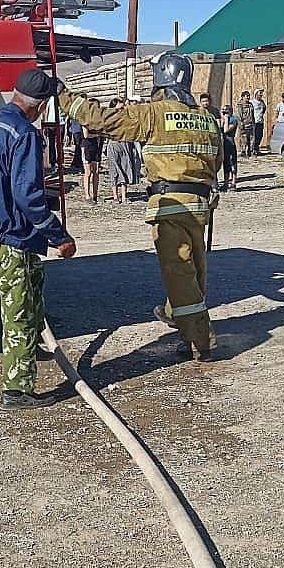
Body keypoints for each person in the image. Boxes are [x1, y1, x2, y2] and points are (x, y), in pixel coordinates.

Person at [60, 52, 222, 361]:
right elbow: (217, 162)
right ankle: (178, 316)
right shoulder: (207, 118)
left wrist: (64, 95)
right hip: (201, 204)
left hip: (170, 203)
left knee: (179, 272)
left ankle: (202, 340)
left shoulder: (153, 114)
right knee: (196, 268)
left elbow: (102, 121)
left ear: (161, 79)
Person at [0, 68, 76, 409]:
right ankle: (16, 390)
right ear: (40, 107)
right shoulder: (24, 134)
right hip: (5, 233)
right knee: (20, 309)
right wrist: (59, 236)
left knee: (33, 277)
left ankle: (31, 347)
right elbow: (28, 196)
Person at [105, 98, 141, 204]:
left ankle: (124, 197)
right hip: (114, 145)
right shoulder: (109, 118)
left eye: (122, 107)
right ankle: (115, 196)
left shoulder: (126, 117)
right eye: (119, 108)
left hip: (125, 144)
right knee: (114, 170)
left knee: (125, 167)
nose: (121, 110)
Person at [81, 124, 102, 204]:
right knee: (88, 172)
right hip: (86, 146)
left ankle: (95, 195)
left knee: (96, 171)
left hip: (95, 145)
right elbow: (86, 135)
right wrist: (97, 134)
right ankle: (87, 195)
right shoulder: (84, 122)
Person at [220, 102, 239, 191]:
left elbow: (226, 130)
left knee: (233, 163)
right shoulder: (223, 119)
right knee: (226, 164)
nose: (225, 114)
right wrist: (223, 120)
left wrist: (226, 119)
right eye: (223, 112)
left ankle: (233, 183)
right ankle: (226, 183)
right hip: (224, 144)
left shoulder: (233, 120)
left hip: (231, 144)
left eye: (226, 112)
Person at [238, 90, 255, 157]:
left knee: (251, 139)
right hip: (244, 125)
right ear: (242, 97)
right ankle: (243, 152)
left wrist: (254, 123)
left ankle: (250, 151)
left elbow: (252, 114)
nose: (248, 97)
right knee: (244, 139)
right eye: (246, 96)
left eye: (248, 96)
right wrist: (241, 124)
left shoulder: (250, 105)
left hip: (251, 124)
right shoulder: (240, 105)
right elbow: (239, 116)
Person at [251, 89, 267, 155]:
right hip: (255, 122)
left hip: (260, 121)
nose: (261, 95)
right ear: (256, 94)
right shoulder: (252, 102)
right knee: (254, 136)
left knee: (260, 136)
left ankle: (257, 148)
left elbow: (264, 109)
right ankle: (252, 149)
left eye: (261, 94)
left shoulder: (262, 102)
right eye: (260, 93)